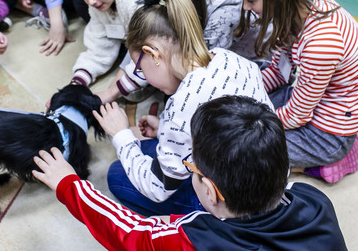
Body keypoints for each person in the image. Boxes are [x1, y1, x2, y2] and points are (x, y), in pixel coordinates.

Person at [32, 96, 347, 250]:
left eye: (190, 166)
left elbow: (131, 232)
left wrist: (68, 183)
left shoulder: (196, 238)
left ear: (209, 191)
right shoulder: (315, 201)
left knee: (119, 179)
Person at [92, 0, 274, 216]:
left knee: (118, 175)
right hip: (271, 183)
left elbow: (156, 189)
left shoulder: (181, 105)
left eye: (140, 67)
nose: (143, 75)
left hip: (237, 205)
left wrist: (120, 134)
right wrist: (164, 131)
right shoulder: (232, 59)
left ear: (153, 54)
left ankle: (208, 222)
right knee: (150, 150)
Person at [234, 0, 358, 183]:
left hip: (327, 134)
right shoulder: (298, 5)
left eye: (251, 0)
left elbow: (297, 116)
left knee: (243, 151)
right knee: (247, 96)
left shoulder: (321, 46)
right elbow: (279, 73)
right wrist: (241, 89)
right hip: (309, 102)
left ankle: (332, 159)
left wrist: (250, 121)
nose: (246, 7)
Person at [97, 0, 262, 104]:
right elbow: (143, 40)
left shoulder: (223, 13)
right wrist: (111, 91)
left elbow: (199, 77)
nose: (155, 2)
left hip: (253, 69)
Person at [67, 0, 143, 88]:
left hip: (162, 43)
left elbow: (149, 46)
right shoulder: (98, 5)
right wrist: (77, 83)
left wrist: (116, 88)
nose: (90, 1)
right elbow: (98, 48)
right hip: (132, 40)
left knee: (129, 90)